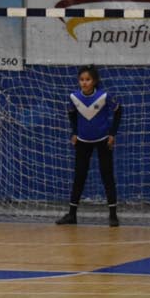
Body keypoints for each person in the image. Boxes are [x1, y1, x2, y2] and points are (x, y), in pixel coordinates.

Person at [55, 65, 121, 227]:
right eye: (82, 80)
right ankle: (72, 215)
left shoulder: (104, 96)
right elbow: (71, 115)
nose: (84, 83)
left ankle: (113, 215)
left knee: (107, 175)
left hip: (103, 140)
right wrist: (74, 132)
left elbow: (118, 111)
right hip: (83, 142)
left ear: (95, 81)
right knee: (79, 177)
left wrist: (112, 133)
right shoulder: (74, 97)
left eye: (88, 79)